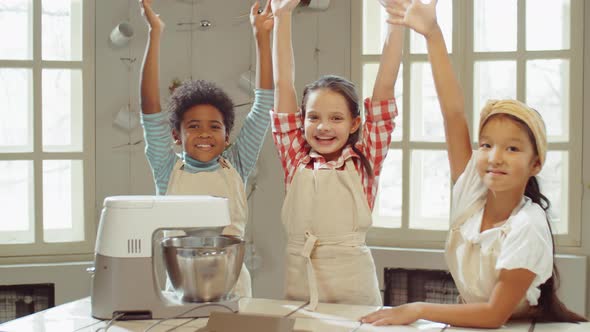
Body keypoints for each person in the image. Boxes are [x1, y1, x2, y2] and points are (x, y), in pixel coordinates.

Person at [361, 0, 587, 327]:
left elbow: (495, 314)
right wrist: (432, 33)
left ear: (535, 164)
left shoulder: (527, 225)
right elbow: (453, 114)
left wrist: (417, 308)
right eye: (486, 145)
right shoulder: (472, 194)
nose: (495, 157)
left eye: (512, 148)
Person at [270, 0, 402, 310]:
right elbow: (282, 82)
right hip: (300, 287)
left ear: (355, 123)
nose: (323, 127)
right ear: (301, 120)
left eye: (336, 118)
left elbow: (385, 85)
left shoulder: (364, 158)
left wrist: (395, 23)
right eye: (313, 117)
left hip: (354, 291)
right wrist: (282, 15)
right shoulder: (295, 159)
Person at [139, 0, 275, 297]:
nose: (204, 133)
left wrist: (262, 40)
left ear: (227, 137)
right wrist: (155, 33)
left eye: (215, 126)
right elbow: (149, 111)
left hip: (234, 291)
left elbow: (264, 104)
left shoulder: (236, 165)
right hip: (179, 292)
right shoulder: (167, 170)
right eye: (194, 126)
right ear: (176, 134)